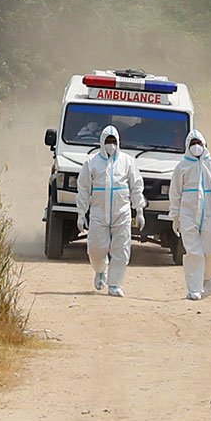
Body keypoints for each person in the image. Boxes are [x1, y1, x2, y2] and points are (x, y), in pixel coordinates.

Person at [76, 125, 146, 297]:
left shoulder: (127, 161)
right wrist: (80, 213)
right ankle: (100, 270)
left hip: (122, 212)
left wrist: (139, 210)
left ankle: (114, 284)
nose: (111, 145)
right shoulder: (91, 163)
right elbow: (84, 189)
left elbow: (136, 186)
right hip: (99, 212)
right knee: (96, 248)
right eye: (107, 141)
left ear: (118, 142)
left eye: (113, 141)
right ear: (101, 142)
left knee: (121, 250)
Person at [169, 130, 211, 301]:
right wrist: (175, 216)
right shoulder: (182, 167)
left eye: (199, 144)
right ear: (187, 147)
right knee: (194, 252)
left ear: (204, 145)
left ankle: (208, 278)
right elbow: (175, 193)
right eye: (192, 144)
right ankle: (194, 288)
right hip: (188, 214)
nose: (196, 147)